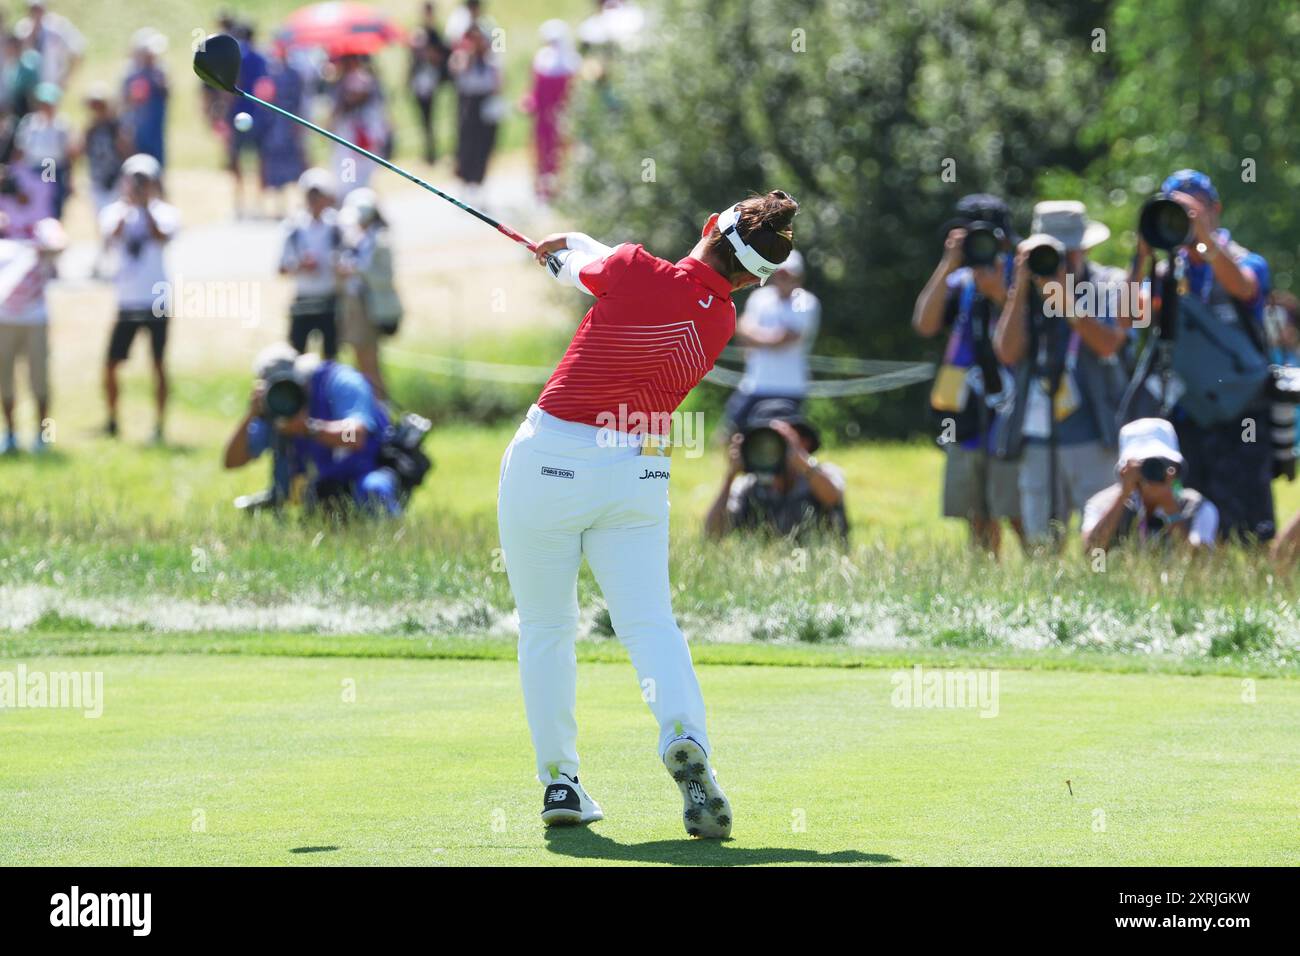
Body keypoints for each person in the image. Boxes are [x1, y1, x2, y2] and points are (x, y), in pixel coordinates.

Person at [499, 189, 800, 837]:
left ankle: (560, 782)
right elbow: (620, 272)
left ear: (708, 225)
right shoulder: (717, 320)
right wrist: (578, 249)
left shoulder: (634, 270)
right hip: (635, 472)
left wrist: (566, 253)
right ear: (751, 281)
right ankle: (684, 737)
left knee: (546, 627)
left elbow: (592, 271)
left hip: (550, 456)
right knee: (649, 624)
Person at [1129, 170, 1274, 543]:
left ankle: (1258, 581)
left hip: (1241, 409)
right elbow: (1130, 315)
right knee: (1191, 510)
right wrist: (1141, 255)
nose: (1186, 219)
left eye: (1194, 209)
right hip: (1188, 409)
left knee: (1250, 520)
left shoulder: (1246, 260)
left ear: (1216, 210)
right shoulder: (1166, 271)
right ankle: (1197, 575)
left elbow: (1242, 286)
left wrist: (1204, 242)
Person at [993, 201, 1131, 548]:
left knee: (1103, 543)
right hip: (1038, 436)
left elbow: (1109, 344)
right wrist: (1021, 288)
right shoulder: (1025, 290)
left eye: (1068, 253)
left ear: (1084, 249)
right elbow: (1007, 352)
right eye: (1053, 252)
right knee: (1041, 543)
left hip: (1095, 434)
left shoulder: (1111, 283)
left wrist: (1067, 301)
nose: (1062, 262)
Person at [912, 193, 1026, 557]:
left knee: (1014, 508)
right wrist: (949, 262)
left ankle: (1039, 572)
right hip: (963, 412)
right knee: (974, 512)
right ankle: (984, 576)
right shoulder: (959, 282)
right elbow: (925, 324)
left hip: (1009, 409)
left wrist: (999, 295)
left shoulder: (1020, 277)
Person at [222, 343, 401, 516]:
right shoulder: (275, 407)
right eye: (277, 388)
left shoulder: (341, 382)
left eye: (289, 385)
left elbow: (354, 437)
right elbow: (232, 461)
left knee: (374, 489)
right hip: (327, 486)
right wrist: (252, 414)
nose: (285, 394)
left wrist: (309, 428)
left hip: (372, 470)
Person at [100, 153, 179, 442]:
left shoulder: (165, 212)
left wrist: (145, 208)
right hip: (127, 300)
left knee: (158, 363)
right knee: (111, 364)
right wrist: (130, 206)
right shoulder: (113, 211)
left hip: (156, 299)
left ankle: (159, 425)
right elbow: (111, 236)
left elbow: (162, 236)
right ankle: (112, 420)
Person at [705, 399, 847, 542]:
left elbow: (832, 497)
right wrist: (730, 476)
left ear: (804, 442)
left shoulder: (823, 473)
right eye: (763, 441)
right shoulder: (747, 486)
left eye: (782, 440)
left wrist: (803, 462)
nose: (770, 448)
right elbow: (712, 534)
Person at [1081, 418, 1219, 553]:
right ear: (1125, 470)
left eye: (1162, 463)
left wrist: (1171, 509)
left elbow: (1199, 564)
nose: (1152, 471)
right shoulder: (1100, 504)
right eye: (1142, 464)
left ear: (1175, 468)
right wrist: (1123, 495)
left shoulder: (1198, 507)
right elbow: (1091, 553)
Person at [724, 249, 820, 432]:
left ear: (798, 277)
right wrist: (765, 338)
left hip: (788, 387)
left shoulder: (806, 302)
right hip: (754, 383)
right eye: (779, 274)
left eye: (788, 275)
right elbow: (742, 325)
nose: (782, 279)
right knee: (732, 434)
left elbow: (785, 338)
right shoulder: (760, 297)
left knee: (782, 442)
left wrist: (754, 337)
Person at [0, 216, 62, 454]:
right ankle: (11, 435)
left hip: (34, 317)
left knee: (39, 380)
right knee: (5, 380)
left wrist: (36, 246)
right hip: (4, 318)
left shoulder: (42, 223)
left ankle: (42, 436)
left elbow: (59, 245)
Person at [338, 187, 400, 399]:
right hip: (356, 306)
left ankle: (381, 410)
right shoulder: (360, 239)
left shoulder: (380, 241)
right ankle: (374, 407)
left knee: (369, 363)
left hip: (370, 308)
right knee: (361, 361)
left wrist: (356, 270)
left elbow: (384, 277)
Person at [279, 168, 342, 359]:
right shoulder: (293, 227)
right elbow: (281, 267)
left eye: (318, 195)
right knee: (297, 355)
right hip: (303, 299)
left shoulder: (336, 225)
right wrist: (300, 266)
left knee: (330, 357)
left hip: (329, 298)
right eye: (310, 195)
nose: (314, 201)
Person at [521, 20, 579, 203]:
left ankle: (561, 188)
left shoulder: (571, 62)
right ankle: (542, 188)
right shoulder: (541, 60)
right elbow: (535, 89)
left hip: (562, 117)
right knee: (541, 149)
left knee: (562, 151)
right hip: (543, 118)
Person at [449, 25, 501, 205]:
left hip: (485, 103)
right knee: (467, 145)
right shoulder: (462, 57)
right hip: (469, 104)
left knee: (484, 146)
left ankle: (480, 184)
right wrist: (468, 57)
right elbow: (456, 73)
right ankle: (465, 183)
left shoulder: (492, 60)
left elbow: (498, 83)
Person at [255, 44, 308, 216]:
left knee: (294, 165)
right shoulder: (271, 74)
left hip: (289, 125)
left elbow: (298, 101)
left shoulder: (293, 74)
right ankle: (279, 206)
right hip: (274, 127)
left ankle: (300, 203)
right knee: (275, 168)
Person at [13, 81, 71, 218]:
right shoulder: (29, 123)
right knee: (35, 203)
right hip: (32, 168)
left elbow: (67, 153)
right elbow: (20, 150)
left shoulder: (61, 125)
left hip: (52, 167)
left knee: (50, 201)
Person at [121, 27, 168, 168]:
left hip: (155, 129)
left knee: (157, 163)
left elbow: (166, 94)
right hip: (137, 129)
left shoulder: (159, 73)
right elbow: (125, 102)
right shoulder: (131, 75)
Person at [408, 2, 449, 164]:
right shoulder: (418, 33)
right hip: (419, 81)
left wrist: (430, 52)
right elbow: (411, 59)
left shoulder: (435, 35)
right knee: (423, 119)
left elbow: (441, 57)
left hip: (430, 81)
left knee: (431, 118)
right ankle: (427, 151)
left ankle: (432, 152)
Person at [79, 82, 128, 215]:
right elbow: (79, 150)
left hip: (116, 180)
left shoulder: (115, 127)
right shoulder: (91, 130)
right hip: (97, 180)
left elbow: (126, 151)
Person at [13, 1, 82, 87]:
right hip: (26, 87)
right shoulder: (22, 29)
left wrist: (65, 79)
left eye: (38, 9)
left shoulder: (57, 28)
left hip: (51, 85)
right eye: (33, 10)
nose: (35, 13)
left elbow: (77, 53)